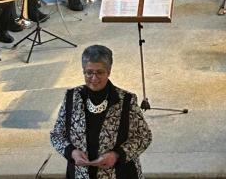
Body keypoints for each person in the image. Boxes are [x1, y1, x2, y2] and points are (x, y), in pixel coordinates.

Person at [50, 45, 152, 179]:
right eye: (89, 72)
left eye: (100, 72)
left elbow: (144, 137)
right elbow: (57, 135)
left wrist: (117, 155)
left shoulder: (126, 100)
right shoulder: (71, 97)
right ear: (83, 71)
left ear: (109, 72)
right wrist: (72, 152)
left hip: (119, 174)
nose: (94, 77)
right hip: (80, 175)